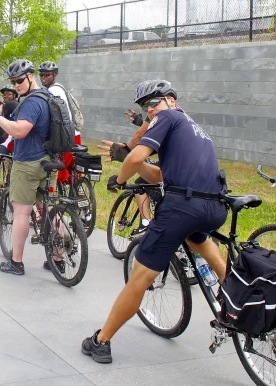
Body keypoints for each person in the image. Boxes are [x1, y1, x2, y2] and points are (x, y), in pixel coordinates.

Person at [81, 80, 228, 364]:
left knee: (139, 278)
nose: (149, 111)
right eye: (145, 107)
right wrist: (129, 159)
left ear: (171, 99)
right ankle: (234, 299)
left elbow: (138, 155)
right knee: (199, 239)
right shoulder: (193, 127)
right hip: (214, 206)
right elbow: (158, 176)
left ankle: (101, 341)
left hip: (183, 207)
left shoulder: (167, 116)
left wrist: (120, 179)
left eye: (153, 103)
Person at [0, 59, 53, 276]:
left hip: (28, 162)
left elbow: (20, 131)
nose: (17, 85)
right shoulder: (50, 97)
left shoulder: (33, 102)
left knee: (22, 212)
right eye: (14, 82)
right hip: (49, 160)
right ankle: (58, 258)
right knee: (49, 210)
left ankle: (16, 262)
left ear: (31, 76)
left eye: (20, 80)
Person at [37, 61, 81, 185]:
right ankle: (80, 199)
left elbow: (54, 118)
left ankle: (59, 202)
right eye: (41, 75)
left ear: (55, 75)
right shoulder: (60, 88)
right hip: (73, 133)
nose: (43, 78)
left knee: (57, 172)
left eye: (47, 75)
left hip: (64, 136)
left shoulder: (53, 91)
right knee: (73, 173)